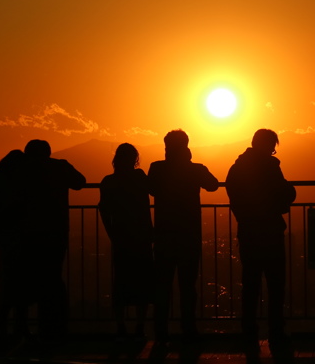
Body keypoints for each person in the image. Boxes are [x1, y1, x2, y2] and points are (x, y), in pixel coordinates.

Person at [147, 130, 219, 343]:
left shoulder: (157, 168)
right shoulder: (194, 169)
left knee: (162, 285)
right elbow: (213, 185)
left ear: (166, 146)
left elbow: (150, 189)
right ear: (186, 146)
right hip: (189, 235)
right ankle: (188, 328)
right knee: (188, 286)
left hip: (163, 234)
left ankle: (161, 331)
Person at [226, 129, 297, 345]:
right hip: (271, 230)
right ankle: (276, 330)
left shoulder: (237, 167)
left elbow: (233, 195)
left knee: (250, 283)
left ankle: (249, 330)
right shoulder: (270, 167)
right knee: (275, 284)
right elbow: (285, 193)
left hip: (248, 230)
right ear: (269, 145)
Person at [21, 139, 86, 341]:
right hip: (56, 231)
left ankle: (31, 327)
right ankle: (56, 326)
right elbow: (80, 182)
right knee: (54, 278)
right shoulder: (59, 167)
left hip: (29, 232)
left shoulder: (23, 170)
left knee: (30, 278)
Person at [98, 143, 153, 340]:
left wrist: (112, 233)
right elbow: (155, 190)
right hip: (142, 237)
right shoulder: (139, 178)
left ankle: (120, 326)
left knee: (121, 282)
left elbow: (103, 209)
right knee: (143, 282)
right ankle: (140, 326)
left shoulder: (108, 181)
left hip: (121, 237)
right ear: (135, 159)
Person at [0, 149, 29, 340]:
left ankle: (6, 321)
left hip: (3, 234)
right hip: (14, 234)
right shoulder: (12, 184)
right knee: (18, 278)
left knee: (12, 277)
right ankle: (13, 322)